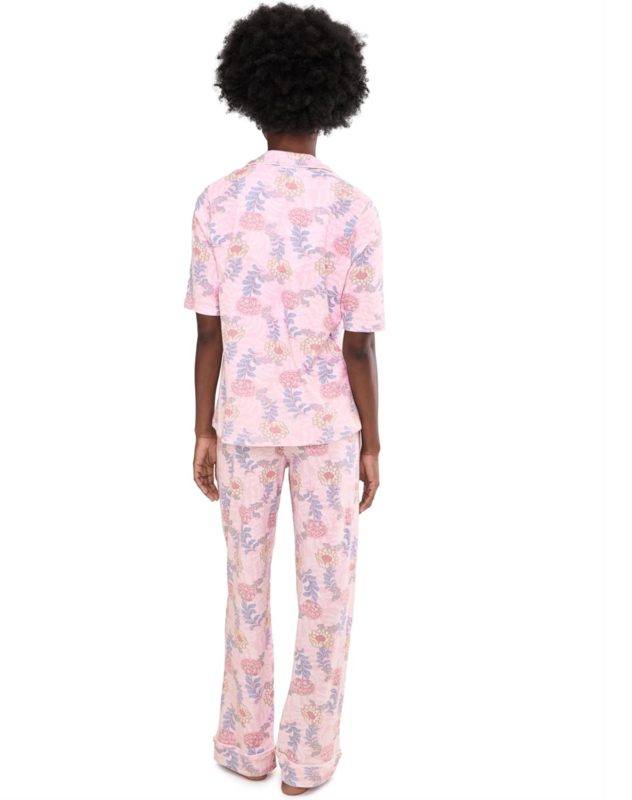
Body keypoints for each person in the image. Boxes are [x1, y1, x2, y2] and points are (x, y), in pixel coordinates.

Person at [183, 4, 383, 794]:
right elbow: (359, 345)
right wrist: (373, 442)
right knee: (327, 596)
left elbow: (209, 334)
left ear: (250, 92)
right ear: (334, 98)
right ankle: (307, 759)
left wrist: (201, 429)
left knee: (246, 588)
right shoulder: (354, 208)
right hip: (330, 428)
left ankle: (244, 746)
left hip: (242, 423)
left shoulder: (217, 201)